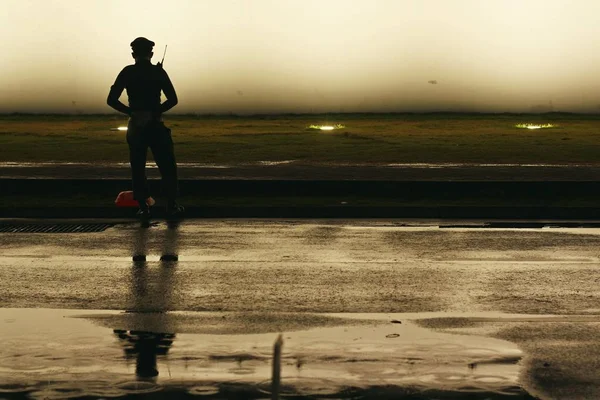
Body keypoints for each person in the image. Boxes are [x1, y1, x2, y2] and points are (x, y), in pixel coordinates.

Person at [107, 37, 184, 218]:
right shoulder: (158, 73)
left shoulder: (127, 72)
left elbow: (111, 100)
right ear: (151, 53)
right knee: (167, 166)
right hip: (155, 125)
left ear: (133, 54)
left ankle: (143, 206)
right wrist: (155, 112)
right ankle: (172, 205)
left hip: (136, 127)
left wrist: (132, 113)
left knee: (138, 167)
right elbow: (173, 99)